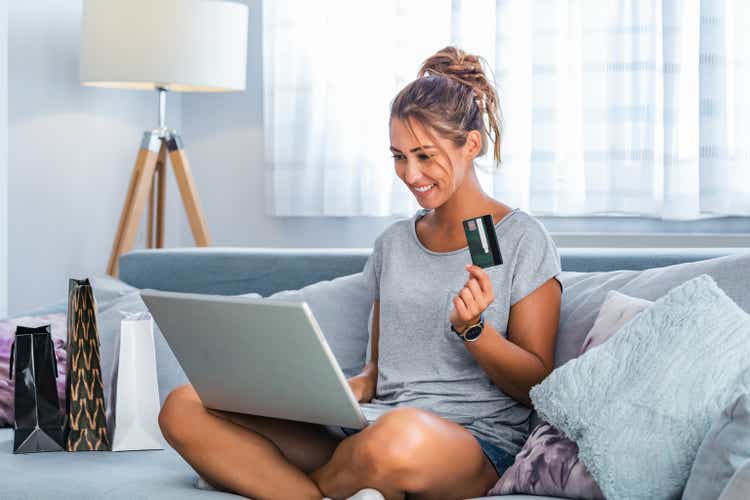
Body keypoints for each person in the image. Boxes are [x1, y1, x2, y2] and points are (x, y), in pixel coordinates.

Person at [158, 46, 563, 500]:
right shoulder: (392, 243)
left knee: (397, 436)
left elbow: (537, 387)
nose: (410, 174)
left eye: (425, 156)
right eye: (398, 156)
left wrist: (475, 332)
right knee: (183, 404)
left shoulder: (523, 238)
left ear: (471, 144)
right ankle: (317, 490)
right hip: (370, 430)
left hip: (470, 442)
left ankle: (269, 480)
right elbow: (377, 369)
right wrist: (330, 391)